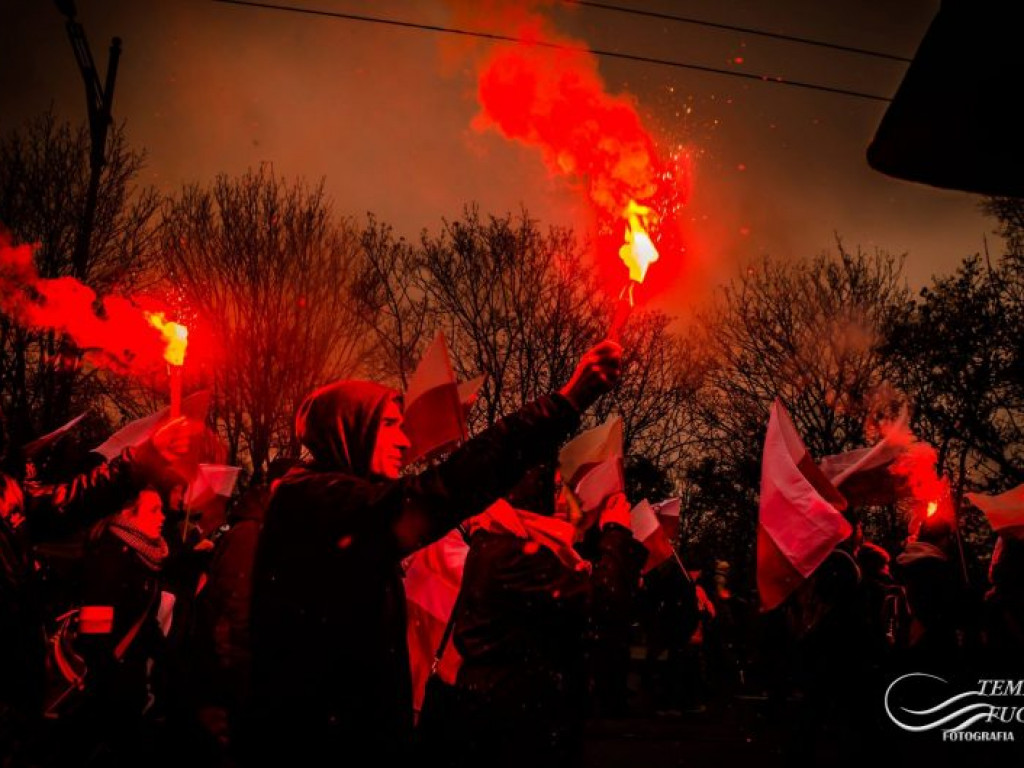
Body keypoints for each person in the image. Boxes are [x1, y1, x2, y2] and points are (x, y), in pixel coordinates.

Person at [246, 340, 622, 764]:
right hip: (317, 742)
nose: (404, 440)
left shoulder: (339, 504)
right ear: (351, 427)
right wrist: (567, 401)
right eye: (389, 424)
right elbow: (444, 491)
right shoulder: (320, 502)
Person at [448, 472, 647, 768]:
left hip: (518, 723)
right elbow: (604, 608)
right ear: (528, 494)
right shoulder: (512, 554)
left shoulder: (511, 545)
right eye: (554, 486)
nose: (566, 496)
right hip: (517, 732)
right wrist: (616, 531)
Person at [64, 488, 170, 766]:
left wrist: (166, 656)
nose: (163, 516)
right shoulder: (111, 556)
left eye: (162, 509)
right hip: (113, 680)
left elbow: (144, 620)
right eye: (153, 510)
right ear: (128, 514)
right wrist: (114, 679)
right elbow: (95, 628)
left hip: (128, 674)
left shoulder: (144, 556)